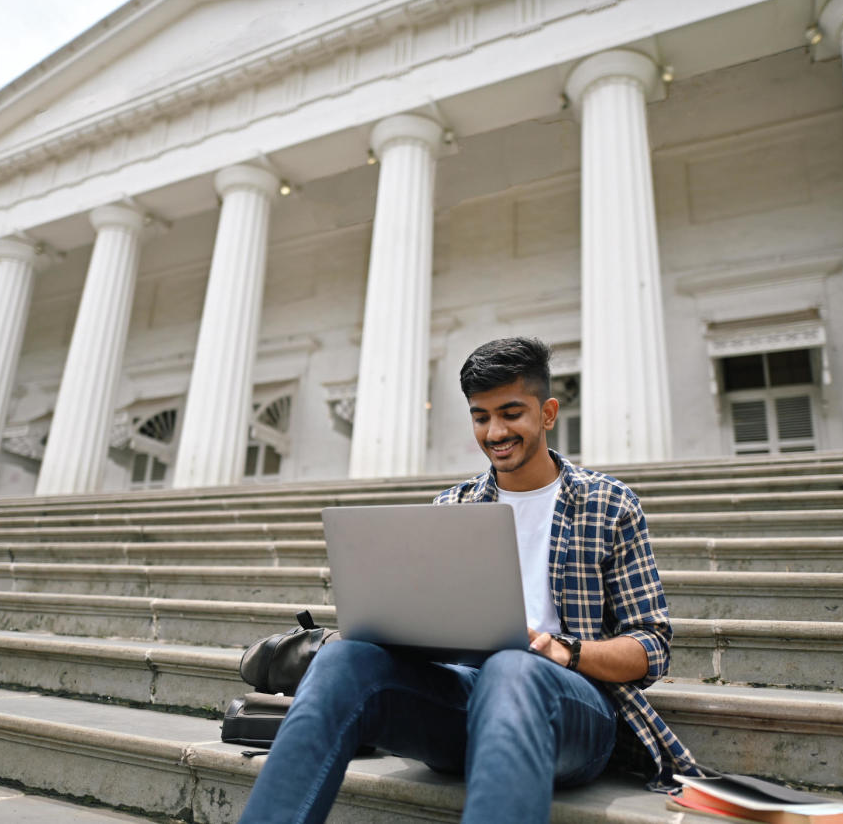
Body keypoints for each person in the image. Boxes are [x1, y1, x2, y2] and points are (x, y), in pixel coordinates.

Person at [238, 337, 699, 824]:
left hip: (571, 713)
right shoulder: (451, 508)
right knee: (343, 657)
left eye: (511, 413)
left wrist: (565, 649)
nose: (495, 431)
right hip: (462, 704)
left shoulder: (608, 504)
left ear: (547, 413)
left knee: (512, 668)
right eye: (481, 417)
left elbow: (652, 646)